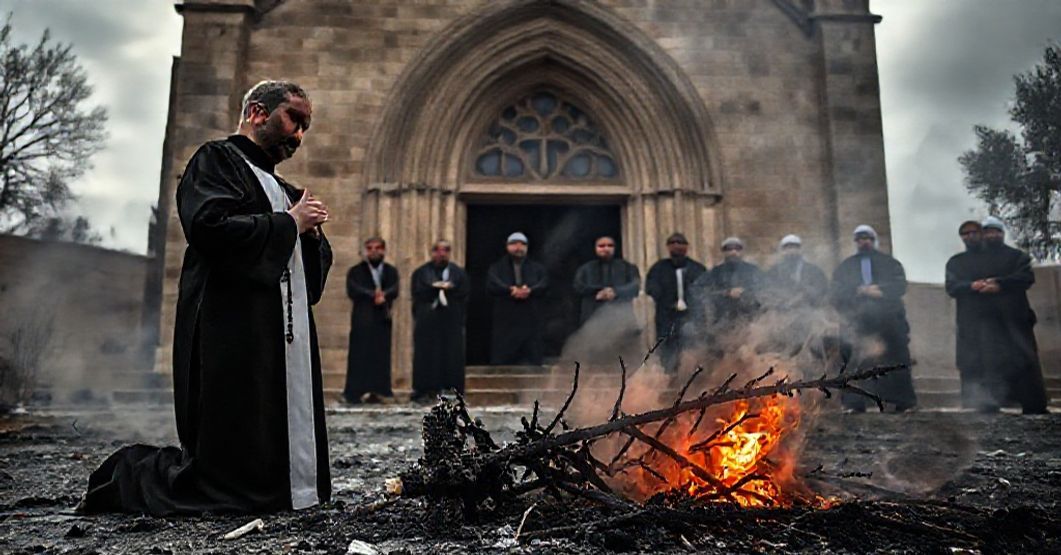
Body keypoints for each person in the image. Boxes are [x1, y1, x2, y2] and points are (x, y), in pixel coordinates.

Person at [80, 80, 333, 515]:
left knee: (279, 435)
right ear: (257, 112)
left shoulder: (288, 191)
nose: (299, 136)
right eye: (294, 119)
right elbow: (209, 228)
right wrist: (290, 223)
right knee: (226, 461)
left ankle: (290, 489)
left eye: (306, 127)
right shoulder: (216, 161)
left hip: (283, 341)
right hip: (229, 329)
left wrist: (308, 235)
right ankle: (130, 476)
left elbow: (310, 279)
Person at [948, 217, 1048, 414]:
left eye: (996, 231)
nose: (992, 235)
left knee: (1022, 360)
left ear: (1002, 234)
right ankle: (983, 403)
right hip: (977, 324)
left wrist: (1000, 283)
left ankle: (1032, 404)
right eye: (988, 231)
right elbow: (953, 286)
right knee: (980, 362)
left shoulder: (1017, 257)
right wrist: (973, 286)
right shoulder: (958, 262)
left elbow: (1025, 277)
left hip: (1012, 321)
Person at [830, 225, 917, 412]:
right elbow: (837, 292)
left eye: (868, 238)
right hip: (857, 321)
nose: (864, 242)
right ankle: (854, 403)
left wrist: (881, 291)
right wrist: (858, 291)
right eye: (860, 239)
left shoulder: (890, 263)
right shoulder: (845, 267)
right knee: (855, 360)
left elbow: (899, 285)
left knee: (896, 358)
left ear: (874, 240)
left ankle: (902, 401)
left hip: (889, 321)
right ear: (856, 242)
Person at [411, 240, 470, 401]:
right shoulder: (422, 272)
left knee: (452, 355)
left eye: (445, 250)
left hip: (451, 321)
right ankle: (425, 389)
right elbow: (418, 292)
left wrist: (449, 290)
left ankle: (452, 388)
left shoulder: (458, 273)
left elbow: (464, 293)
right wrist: (434, 289)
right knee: (426, 355)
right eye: (437, 250)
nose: (441, 253)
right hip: (428, 321)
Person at [344, 236, 399, 404]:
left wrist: (385, 296)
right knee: (359, 355)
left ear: (383, 250)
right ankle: (355, 392)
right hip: (363, 319)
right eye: (370, 248)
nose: (374, 251)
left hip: (382, 319)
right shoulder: (356, 271)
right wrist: (372, 295)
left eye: (378, 248)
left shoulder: (390, 271)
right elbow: (353, 288)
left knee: (380, 356)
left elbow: (394, 288)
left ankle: (380, 390)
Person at [571, 236, 641, 363]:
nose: (606, 249)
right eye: (601, 246)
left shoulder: (627, 267)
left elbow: (635, 286)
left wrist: (616, 292)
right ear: (595, 248)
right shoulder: (585, 269)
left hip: (621, 319)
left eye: (609, 246)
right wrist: (598, 291)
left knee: (623, 358)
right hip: (592, 317)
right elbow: (578, 286)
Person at [644, 232, 707, 373]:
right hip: (667, 316)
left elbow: (706, 289)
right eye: (672, 243)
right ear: (668, 247)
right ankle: (668, 378)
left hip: (691, 315)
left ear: (686, 246)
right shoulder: (658, 269)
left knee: (692, 347)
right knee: (667, 349)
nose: (676, 246)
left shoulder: (697, 268)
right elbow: (651, 288)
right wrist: (665, 299)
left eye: (680, 243)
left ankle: (691, 379)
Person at [486, 232, 550, 365]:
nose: (518, 247)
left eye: (522, 244)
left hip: (530, 314)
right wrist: (510, 290)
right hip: (506, 315)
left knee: (532, 347)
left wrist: (530, 290)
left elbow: (544, 283)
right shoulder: (497, 268)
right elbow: (493, 283)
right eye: (514, 244)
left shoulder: (537, 268)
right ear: (507, 247)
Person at [697, 237, 764, 332]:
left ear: (742, 251)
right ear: (723, 252)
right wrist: (726, 293)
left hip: (750, 320)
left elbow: (764, 290)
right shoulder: (715, 272)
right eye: (729, 249)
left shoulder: (753, 270)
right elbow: (702, 291)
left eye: (737, 248)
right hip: (722, 322)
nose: (733, 252)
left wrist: (745, 292)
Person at [764, 234, 828, 309]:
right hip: (780, 312)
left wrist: (803, 296)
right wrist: (782, 302)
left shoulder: (814, 270)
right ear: (782, 251)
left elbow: (821, 290)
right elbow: (767, 291)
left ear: (800, 250)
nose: (791, 251)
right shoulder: (773, 271)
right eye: (787, 248)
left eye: (794, 248)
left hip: (809, 312)